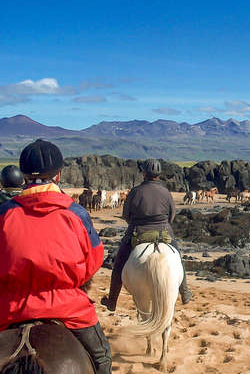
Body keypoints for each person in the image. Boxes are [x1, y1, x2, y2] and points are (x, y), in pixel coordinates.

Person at [0, 139, 111, 374]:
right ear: (58, 176)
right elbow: (93, 260)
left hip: (9, 306)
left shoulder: (4, 213)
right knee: (101, 358)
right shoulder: (76, 213)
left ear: (24, 175)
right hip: (68, 306)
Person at [101, 158, 193, 311]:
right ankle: (184, 291)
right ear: (158, 174)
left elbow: (126, 215)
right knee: (177, 254)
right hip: (164, 230)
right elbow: (172, 215)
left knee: (120, 261)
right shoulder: (165, 192)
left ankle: (112, 300)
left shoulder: (135, 191)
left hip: (137, 230)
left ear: (144, 173)